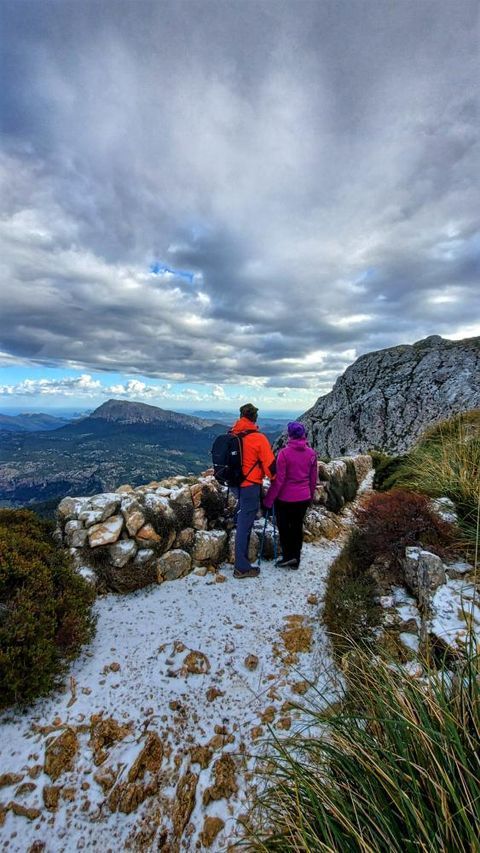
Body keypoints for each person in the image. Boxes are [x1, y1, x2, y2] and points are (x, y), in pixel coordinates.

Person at [263, 421, 317, 569]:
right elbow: (313, 480)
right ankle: (296, 558)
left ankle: (288, 556)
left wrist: (268, 500)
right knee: (297, 526)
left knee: (285, 527)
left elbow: (279, 481)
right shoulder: (311, 454)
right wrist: (310, 497)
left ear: (290, 435)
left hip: (285, 499)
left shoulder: (284, 454)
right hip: (304, 498)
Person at [232, 403, 276, 579]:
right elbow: (271, 469)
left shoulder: (233, 433)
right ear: (254, 417)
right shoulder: (258, 438)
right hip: (250, 485)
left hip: (234, 484)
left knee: (243, 515)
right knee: (245, 524)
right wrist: (277, 483)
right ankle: (241, 567)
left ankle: (241, 556)